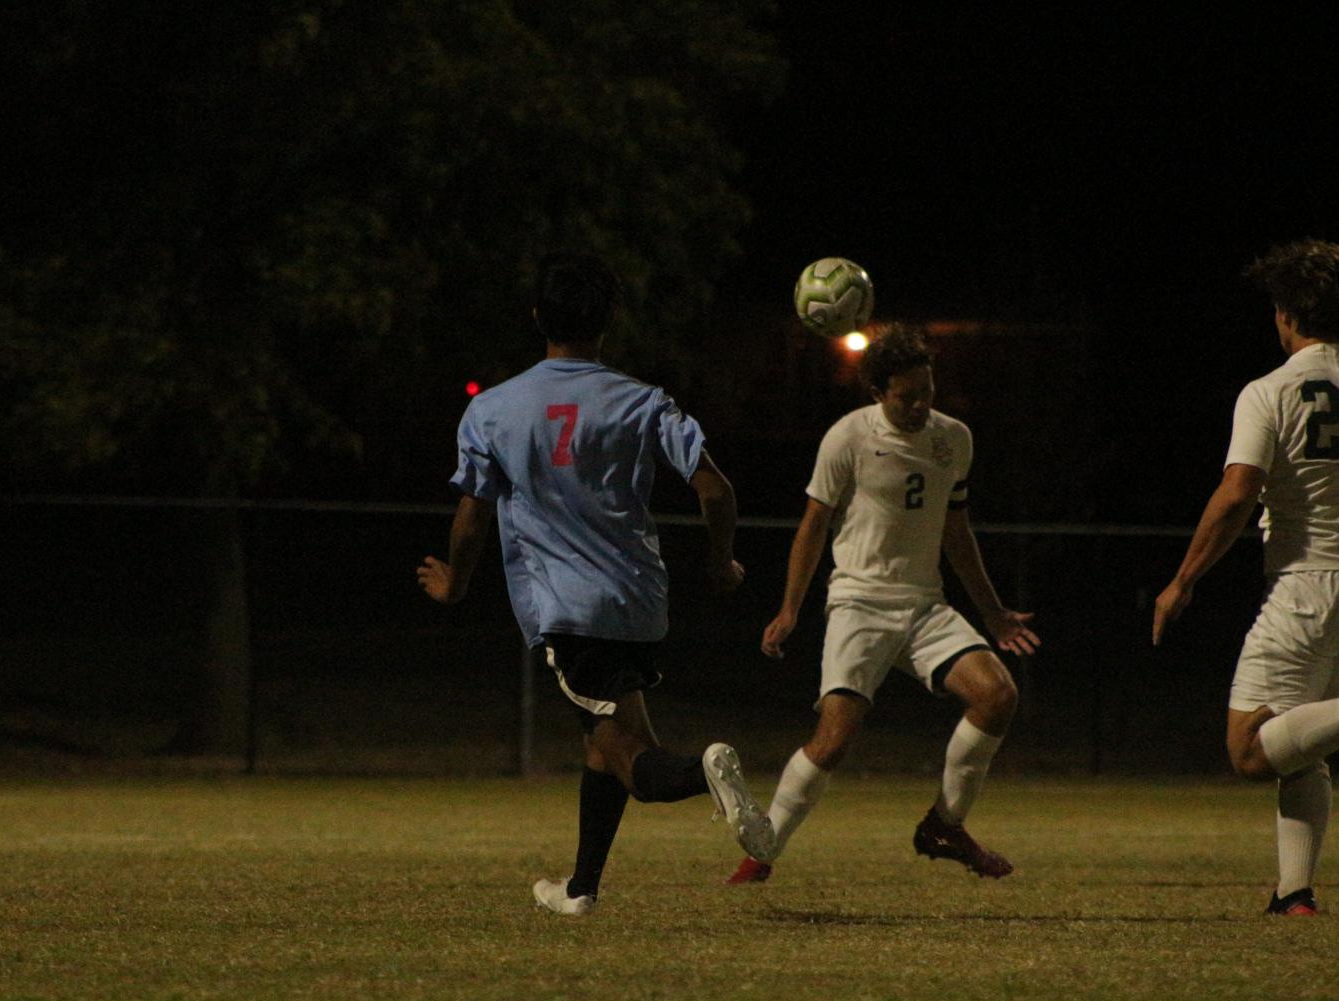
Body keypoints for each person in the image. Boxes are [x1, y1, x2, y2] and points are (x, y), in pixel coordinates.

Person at [417, 252, 775, 916]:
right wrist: (721, 560)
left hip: (566, 608)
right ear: (609, 320)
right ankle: (581, 887)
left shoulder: (493, 409)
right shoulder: (642, 401)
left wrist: (456, 585)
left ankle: (703, 768)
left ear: (535, 317)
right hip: (639, 601)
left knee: (624, 749)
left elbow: (472, 515)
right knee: (599, 740)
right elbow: (715, 489)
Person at [725, 325, 1039, 886]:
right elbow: (812, 526)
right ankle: (762, 852)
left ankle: (946, 824)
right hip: (859, 604)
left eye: (927, 391)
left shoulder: (954, 439)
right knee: (835, 738)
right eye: (906, 395)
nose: (920, 404)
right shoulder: (846, 438)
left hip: (924, 605)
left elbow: (956, 531)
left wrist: (991, 611)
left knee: (997, 696)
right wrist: (790, 609)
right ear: (876, 391)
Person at [1153, 238, 1339, 916]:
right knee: (1300, 744)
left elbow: (1236, 493)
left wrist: (1181, 580)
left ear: (1287, 314)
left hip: (1307, 583)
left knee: (1251, 746)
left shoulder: (1271, 389)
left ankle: (1294, 891)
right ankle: (1294, 893)